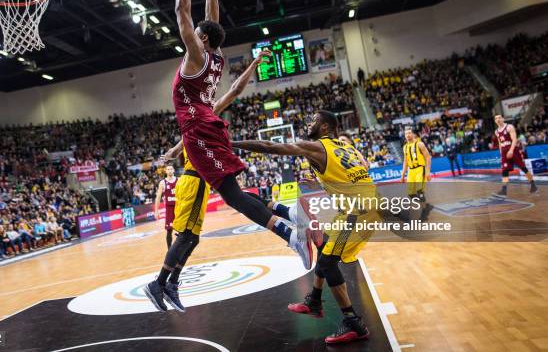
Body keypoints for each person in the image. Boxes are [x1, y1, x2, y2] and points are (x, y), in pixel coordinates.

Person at [170, 0, 312, 270]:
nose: (194, 30)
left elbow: (182, 9)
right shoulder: (216, 56)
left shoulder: (195, 56)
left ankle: (291, 236)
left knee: (232, 197)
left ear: (202, 39)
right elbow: (211, 18)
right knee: (234, 192)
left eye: (198, 32)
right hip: (210, 124)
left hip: (199, 130)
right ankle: (290, 218)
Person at [144, 44, 275, 313]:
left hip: (203, 183)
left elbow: (236, 89)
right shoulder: (195, 117)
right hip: (192, 180)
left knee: (193, 239)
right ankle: (158, 283)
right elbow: (181, 142)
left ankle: (172, 283)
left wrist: (253, 64)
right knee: (185, 237)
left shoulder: (207, 111)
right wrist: (172, 152)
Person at [232, 110, 379, 345]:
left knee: (328, 262)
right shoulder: (346, 147)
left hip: (358, 213)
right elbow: (361, 169)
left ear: (325, 127)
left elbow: (269, 146)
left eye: (314, 120)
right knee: (322, 247)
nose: (309, 123)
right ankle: (315, 300)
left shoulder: (317, 147)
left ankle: (353, 323)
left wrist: (231, 142)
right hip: (359, 208)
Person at [494, 115, 537, 196]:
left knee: (523, 167)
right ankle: (504, 189)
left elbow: (514, 140)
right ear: (495, 121)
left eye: (499, 117)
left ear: (503, 119)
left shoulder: (509, 127)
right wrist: (501, 153)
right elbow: (500, 143)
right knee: (504, 170)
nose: (498, 119)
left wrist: (511, 150)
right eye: (496, 118)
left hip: (513, 149)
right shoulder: (496, 131)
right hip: (504, 151)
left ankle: (533, 184)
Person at [400, 127, 433, 221]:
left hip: (420, 169)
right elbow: (405, 162)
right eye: (406, 134)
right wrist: (403, 175)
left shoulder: (419, 144)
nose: (408, 135)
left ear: (413, 134)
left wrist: (427, 172)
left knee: (420, 192)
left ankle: (424, 213)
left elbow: (428, 157)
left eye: (409, 133)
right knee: (411, 194)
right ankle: (425, 206)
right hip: (411, 171)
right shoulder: (405, 147)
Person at [154, 165, 178, 248]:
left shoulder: (180, 180)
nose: (170, 170)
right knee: (169, 230)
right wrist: (156, 211)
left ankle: (181, 248)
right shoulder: (162, 183)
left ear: (174, 170)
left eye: (171, 169)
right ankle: (169, 251)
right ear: (166, 171)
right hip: (169, 208)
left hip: (179, 207)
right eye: (168, 169)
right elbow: (158, 197)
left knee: (182, 229)